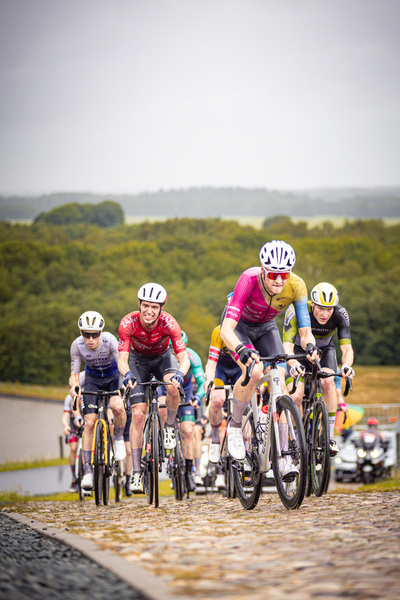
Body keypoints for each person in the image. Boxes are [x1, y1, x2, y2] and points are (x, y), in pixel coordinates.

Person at [220, 240, 319, 480]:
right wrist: (241, 349)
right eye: (273, 274)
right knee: (254, 371)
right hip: (239, 328)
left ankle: (283, 458)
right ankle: (235, 426)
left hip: (266, 329)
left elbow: (305, 332)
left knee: (281, 387)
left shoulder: (296, 285)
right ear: (263, 270)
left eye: (284, 274)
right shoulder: (249, 279)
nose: (279, 280)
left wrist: (310, 347)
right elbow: (226, 330)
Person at [118, 283, 190, 493]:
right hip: (137, 362)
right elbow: (122, 359)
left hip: (162, 358)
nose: (149, 311)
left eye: (155, 307)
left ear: (161, 309)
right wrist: (127, 374)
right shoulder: (127, 323)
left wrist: (179, 374)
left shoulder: (170, 323)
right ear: (139, 304)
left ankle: (168, 426)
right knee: (138, 415)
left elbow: (183, 357)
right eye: (146, 306)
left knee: (173, 387)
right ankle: (137, 473)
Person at [283, 281, 355, 456]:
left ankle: (329, 436)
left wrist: (346, 366)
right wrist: (294, 364)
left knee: (328, 383)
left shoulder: (340, 314)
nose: (325, 314)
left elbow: (346, 348)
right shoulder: (297, 311)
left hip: (325, 351)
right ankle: (296, 437)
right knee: (296, 395)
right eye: (320, 308)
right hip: (298, 351)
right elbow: (286, 345)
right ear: (312, 304)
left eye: (329, 309)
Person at [69, 311, 127, 490]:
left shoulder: (110, 340)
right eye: (87, 334)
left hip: (113, 377)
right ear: (81, 333)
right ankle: (87, 471)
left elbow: (122, 364)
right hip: (93, 380)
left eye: (95, 334)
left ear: (101, 332)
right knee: (89, 422)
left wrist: (125, 381)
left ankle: (117, 438)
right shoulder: (77, 346)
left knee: (117, 406)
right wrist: (74, 387)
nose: (91, 339)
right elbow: (74, 375)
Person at [157, 331, 206, 492]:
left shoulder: (192, 357)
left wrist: (198, 398)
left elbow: (202, 383)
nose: (175, 353)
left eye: (178, 349)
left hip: (185, 393)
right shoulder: (161, 356)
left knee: (188, 431)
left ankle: (189, 473)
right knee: (162, 408)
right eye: (171, 348)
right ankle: (164, 436)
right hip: (164, 391)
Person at [204, 322, 243, 488]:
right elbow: (211, 363)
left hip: (240, 369)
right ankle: (214, 438)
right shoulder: (218, 331)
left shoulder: (247, 330)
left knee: (246, 405)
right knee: (218, 399)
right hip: (221, 369)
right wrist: (209, 380)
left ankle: (246, 445)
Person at [62, 372, 85, 492]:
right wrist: (66, 426)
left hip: (85, 425)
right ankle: (73, 478)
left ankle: (87, 473)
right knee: (73, 448)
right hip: (73, 426)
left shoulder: (88, 396)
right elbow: (65, 416)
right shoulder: (68, 398)